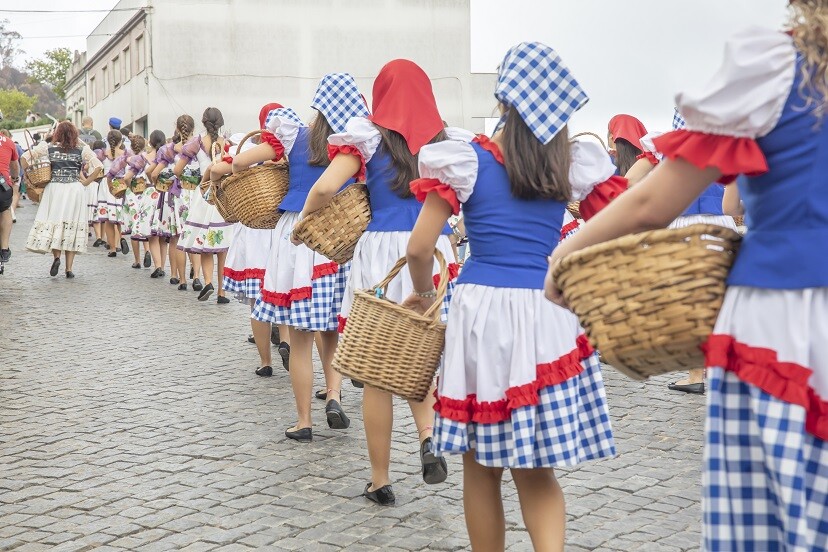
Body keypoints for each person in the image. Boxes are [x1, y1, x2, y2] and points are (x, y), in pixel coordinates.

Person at [546, 5, 828, 549]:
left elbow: (652, 201)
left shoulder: (777, 66)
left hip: (784, 321)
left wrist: (564, 259)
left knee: (770, 522)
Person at [404, 42, 617, 549]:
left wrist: (423, 293)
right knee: (537, 470)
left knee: (481, 468)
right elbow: (610, 237)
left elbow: (419, 248)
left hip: (480, 312)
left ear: (504, 99)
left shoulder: (469, 161)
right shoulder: (569, 165)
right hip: (544, 313)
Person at [299, 59, 463, 504]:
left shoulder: (368, 137)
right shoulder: (444, 141)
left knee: (376, 370)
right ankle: (428, 436)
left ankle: (380, 478)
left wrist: (307, 217)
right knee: (421, 353)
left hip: (382, 253)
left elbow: (324, 188)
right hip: (433, 250)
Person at [235, 75, 370, 445]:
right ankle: (335, 395)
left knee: (300, 338)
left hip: (296, 235)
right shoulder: (353, 144)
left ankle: (303, 420)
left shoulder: (293, 135)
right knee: (332, 329)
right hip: (338, 233)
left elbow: (239, 163)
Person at [631, 111, 738, 395]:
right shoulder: (724, 149)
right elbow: (733, 202)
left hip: (681, 228)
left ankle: (694, 375)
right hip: (719, 226)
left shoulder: (668, 150)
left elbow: (631, 184)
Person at [214, 105, 284, 347]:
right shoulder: (292, 148)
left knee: (256, 292)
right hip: (281, 224)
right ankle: (284, 339)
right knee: (282, 288)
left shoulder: (255, 149)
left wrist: (214, 181)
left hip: (254, 222)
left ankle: (264, 355)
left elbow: (220, 168)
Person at [22, 121, 103, 277]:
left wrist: (28, 175)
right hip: (74, 189)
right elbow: (98, 165)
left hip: (55, 188)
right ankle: (69, 269)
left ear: (57, 133)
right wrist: (86, 181)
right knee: (71, 225)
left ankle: (57, 257)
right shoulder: (81, 148)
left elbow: (25, 157)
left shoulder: (49, 147)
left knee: (55, 223)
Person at [174, 107, 232, 302]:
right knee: (222, 245)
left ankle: (208, 281)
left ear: (203, 122)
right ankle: (222, 293)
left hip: (203, 193)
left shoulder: (196, 142)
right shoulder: (227, 143)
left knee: (205, 242)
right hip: (223, 194)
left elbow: (177, 169)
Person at [101, 130, 130, 258]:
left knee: (108, 220)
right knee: (120, 217)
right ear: (121, 141)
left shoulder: (104, 154)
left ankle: (112, 248)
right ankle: (122, 237)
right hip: (122, 185)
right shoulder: (125, 154)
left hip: (108, 186)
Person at [0, 128, 20, 268]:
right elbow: (14, 166)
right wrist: (14, 178)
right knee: (6, 210)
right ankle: (4, 248)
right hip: (2, 185)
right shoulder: (8, 142)